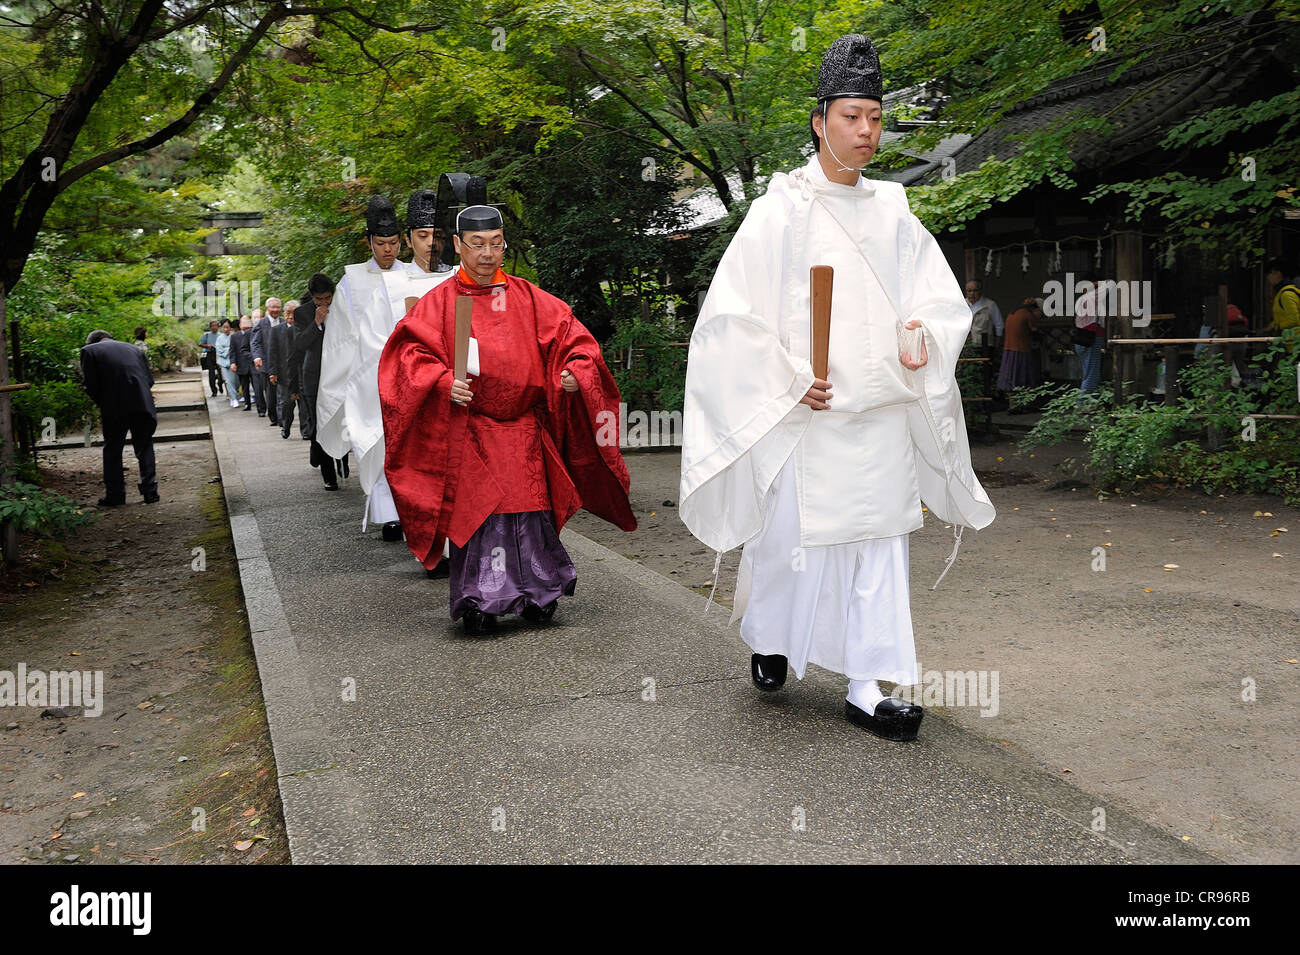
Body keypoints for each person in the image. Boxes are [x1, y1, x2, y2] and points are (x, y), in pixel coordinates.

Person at [678, 34, 994, 743]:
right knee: (796, 545)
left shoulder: (893, 208)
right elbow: (731, 313)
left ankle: (867, 683)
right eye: (852, 117)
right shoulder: (780, 209)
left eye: (876, 119)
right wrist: (788, 379)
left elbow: (938, 301)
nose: (867, 132)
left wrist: (924, 335)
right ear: (820, 122)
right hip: (809, 413)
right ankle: (772, 640)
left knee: (880, 544)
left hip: (879, 407)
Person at [378, 203, 636, 634]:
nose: (487, 253)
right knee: (482, 515)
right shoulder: (439, 303)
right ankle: (480, 597)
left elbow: (576, 341)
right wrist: (441, 381)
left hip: (523, 428)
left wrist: (575, 372)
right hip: (472, 428)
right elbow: (407, 356)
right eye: (476, 244)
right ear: (457, 245)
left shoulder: (528, 296)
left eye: (496, 244)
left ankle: (540, 591)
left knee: (532, 512)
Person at [348, 190, 459, 544]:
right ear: (408, 239)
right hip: (412, 393)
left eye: (438, 235)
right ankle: (427, 542)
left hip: (459, 391)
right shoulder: (391, 286)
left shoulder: (461, 278)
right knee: (420, 471)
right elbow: (373, 347)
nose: (430, 244)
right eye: (422, 236)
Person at [316, 196, 407, 482]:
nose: (388, 249)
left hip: (411, 373)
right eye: (381, 244)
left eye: (393, 242)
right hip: (371, 378)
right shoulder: (351, 282)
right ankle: (387, 515)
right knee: (378, 448)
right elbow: (340, 338)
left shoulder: (413, 276)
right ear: (369, 243)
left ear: (402, 241)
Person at [80, 330, 159, 506]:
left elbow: (90, 385)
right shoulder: (134, 349)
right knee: (144, 446)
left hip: (114, 407)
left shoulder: (89, 351)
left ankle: (116, 495)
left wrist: (102, 402)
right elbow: (149, 380)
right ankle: (150, 492)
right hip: (142, 403)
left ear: (93, 341)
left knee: (113, 450)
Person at [293, 274, 339, 489]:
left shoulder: (341, 306)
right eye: (319, 300)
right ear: (311, 297)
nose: (324, 303)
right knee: (319, 425)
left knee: (339, 421)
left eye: (327, 298)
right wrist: (316, 322)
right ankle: (329, 477)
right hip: (314, 376)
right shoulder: (301, 313)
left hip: (339, 374)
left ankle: (341, 458)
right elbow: (300, 344)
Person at [268, 301, 303, 439]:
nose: (290, 316)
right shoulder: (277, 330)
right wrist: (272, 372)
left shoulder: (304, 328)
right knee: (287, 404)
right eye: (288, 313)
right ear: (284, 314)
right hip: (284, 374)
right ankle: (285, 426)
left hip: (301, 373)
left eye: (294, 313)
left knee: (303, 404)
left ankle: (305, 431)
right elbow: (272, 353)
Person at [997, 297, 1041, 394]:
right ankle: (1021, 404)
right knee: (1022, 379)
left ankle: (1012, 404)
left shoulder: (1014, 312)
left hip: (1008, 349)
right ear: (1037, 309)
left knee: (1010, 380)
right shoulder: (1028, 315)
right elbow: (1035, 332)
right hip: (1021, 350)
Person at [251, 299, 283, 425]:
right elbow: (255, 343)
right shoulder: (260, 324)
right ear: (267, 309)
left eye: (278, 307)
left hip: (284, 364)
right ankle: (274, 417)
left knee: (283, 394)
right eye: (273, 307)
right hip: (267, 364)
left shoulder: (285, 322)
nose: (275, 310)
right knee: (271, 394)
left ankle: (282, 419)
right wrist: (257, 357)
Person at [1074, 271, 1104, 402]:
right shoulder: (1093, 297)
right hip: (1092, 338)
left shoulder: (1083, 299)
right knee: (1091, 373)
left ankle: (1091, 403)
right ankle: (1082, 403)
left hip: (1082, 338)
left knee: (1089, 372)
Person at [965, 279, 1002, 348]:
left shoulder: (990, 305)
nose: (972, 293)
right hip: (966, 345)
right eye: (969, 291)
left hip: (984, 345)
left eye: (975, 290)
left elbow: (999, 325)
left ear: (980, 291)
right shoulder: (962, 305)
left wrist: (997, 345)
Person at [228, 315, 255, 410]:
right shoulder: (235, 337)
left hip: (253, 364)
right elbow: (232, 351)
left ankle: (260, 403)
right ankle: (247, 404)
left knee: (257, 386)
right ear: (240, 325)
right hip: (241, 364)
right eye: (243, 322)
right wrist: (233, 362)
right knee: (244, 386)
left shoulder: (255, 333)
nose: (245, 324)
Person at [1266, 259, 1300, 332]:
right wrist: (1272, 326)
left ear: (1278, 273)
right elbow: (1282, 317)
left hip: (1294, 341)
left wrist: (1276, 327)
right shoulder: (1282, 293)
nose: (1267, 277)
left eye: (1269, 273)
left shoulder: (1286, 294)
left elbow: (1294, 321)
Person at [215, 319, 239, 406]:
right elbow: (220, 351)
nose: (225, 329)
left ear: (230, 328)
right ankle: (234, 398)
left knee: (236, 381)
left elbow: (238, 348)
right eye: (224, 327)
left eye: (227, 327)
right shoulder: (219, 339)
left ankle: (235, 395)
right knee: (228, 381)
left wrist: (229, 349)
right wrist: (229, 349)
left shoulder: (235, 336)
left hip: (235, 362)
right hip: (224, 363)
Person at [199, 320, 223, 396]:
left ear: (218, 327)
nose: (214, 327)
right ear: (210, 327)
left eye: (216, 325)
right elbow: (200, 344)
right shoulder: (206, 335)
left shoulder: (221, 335)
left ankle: (220, 383)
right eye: (212, 326)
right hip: (210, 354)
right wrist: (207, 346)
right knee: (211, 373)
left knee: (221, 372)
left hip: (219, 354)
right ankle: (214, 390)